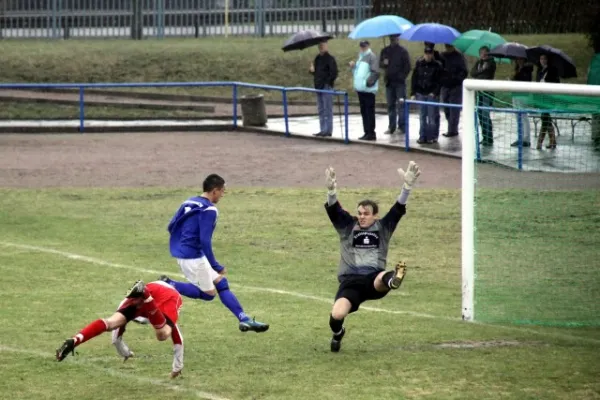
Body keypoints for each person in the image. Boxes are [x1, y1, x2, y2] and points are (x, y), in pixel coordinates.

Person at [323, 161, 421, 352]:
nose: (361, 216)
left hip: (373, 279)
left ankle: (393, 279)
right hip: (350, 283)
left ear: (375, 216)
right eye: (359, 213)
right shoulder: (347, 226)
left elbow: (398, 208)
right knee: (336, 314)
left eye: (366, 214)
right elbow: (334, 211)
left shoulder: (383, 227)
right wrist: (331, 190)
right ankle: (338, 333)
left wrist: (407, 187)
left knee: (381, 277)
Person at [159, 173, 269, 333]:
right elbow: (205, 240)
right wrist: (215, 264)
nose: (223, 195)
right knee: (208, 294)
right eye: (222, 191)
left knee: (221, 283)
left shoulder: (189, 201)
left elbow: (171, 226)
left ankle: (244, 319)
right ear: (215, 191)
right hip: (193, 257)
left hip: (188, 252)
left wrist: (183, 241)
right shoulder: (210, 209)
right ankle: (168, 284)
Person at [56, 280, 185, 378]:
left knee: (163, 334)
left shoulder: (165, 301)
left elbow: (176, 334)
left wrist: (177, 366)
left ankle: (147, 298)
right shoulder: (133, 300)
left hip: (167, 295)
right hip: (147, 292)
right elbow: (115, 333)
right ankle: (73, 341)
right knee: (114, 323)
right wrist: (126, 353)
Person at [380, 34, 412, 136]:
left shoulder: (403, 51)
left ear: (398, 39)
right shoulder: (385, 51)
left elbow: (407, 67)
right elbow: (380, 64)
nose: (394, 40)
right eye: (392, 38)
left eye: (395, 38)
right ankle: (391, 127)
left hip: (399, 83)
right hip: (389, 82)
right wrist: (384, 63)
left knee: (401, 105)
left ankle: (402, 127)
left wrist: (401, 77)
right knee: (390, 106)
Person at [411, 46, 443, 144]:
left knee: (432, 117)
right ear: (424, 54)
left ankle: (432, 136)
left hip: (431, 94)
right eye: (426, 53)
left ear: (432, 54)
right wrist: (413, 93)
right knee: (422, 116)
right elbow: (414, 79)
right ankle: (422, 136)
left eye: (430, 53)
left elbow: (440, 81)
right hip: (421, 92)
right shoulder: (419, 64)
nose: (428, 56)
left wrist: (434, 92)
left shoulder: (437, 65)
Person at [350, 40, 380, 141]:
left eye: (364, 46)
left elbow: (375, 72)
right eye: (361, 46)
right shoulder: (360, 57)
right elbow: (357, 73)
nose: (363, 48)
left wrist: (367, 84)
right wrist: (353, 68)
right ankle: (366, 132)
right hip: (361, 89)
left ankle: (371, 133)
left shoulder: (372, 56)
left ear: (368, 46)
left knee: (369, 112)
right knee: (364, 112)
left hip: (368, 90)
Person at [310, 39, 338, 138]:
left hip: (326, 87)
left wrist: (328, 83)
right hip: (318, 86)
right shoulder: (317, 58)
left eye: (323, 44)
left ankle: (328, 130)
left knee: (327, 109)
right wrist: (312, 71)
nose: (321, 46)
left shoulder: (330, 59)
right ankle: (322, 129)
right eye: (320, 45)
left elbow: (334, 73)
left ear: (327, 46)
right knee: (321, 109)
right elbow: (316, 73)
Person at [469, 46, 497, 146]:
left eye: (485, 53)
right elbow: (472, 73)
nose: (483, 55)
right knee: (480, 114)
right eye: (481, 53)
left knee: (485, 114)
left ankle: (489, 138)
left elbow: (485, 75)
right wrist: (480, 71)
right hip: (479, 92)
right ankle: (485, 137)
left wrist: (479, 73)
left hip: (487, 92)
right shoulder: (479, 62)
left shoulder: (491, 63)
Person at [440, 44, 468, 138]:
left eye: (449, 46)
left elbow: (464, 71)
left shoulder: (459, 57)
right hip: (445, 86)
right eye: (446, 46)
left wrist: (456, 79)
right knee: (446, 108)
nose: (447, 48)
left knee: (454, 109)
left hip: (456, 86)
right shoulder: (441, 56)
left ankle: (452, 130)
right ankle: (451, 126)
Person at [536, 54, 560, 149]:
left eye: (545, 58)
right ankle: (552, 141)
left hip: (548, 97)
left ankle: (540, 142)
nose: (543, 60)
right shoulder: (539, 70)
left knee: (545, 119)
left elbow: (556, 83)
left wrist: (547, 82)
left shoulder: (552, 70)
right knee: (546, 119)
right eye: (541, 58)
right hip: (541, 97)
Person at [510, 57, 534, 147]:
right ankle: (520, 137)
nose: (518, 60)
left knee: (523, 116)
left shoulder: (527, 69)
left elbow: (525, 80)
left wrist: (517, 77)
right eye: (517, 59)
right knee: (518, 117)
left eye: (521, 59)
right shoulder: (518, 68)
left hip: (523, 94)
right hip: (515, 93)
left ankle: (526, 139)